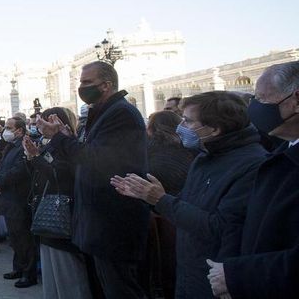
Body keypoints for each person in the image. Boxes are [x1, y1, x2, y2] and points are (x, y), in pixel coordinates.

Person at [112, 92, 266, 298]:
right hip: (190, 271)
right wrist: (148, 197)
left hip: (218, 279)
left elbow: (221, 228)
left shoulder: (252, 165)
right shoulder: (205, 157)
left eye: (188, 121)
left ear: (214, 128)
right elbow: (186, 206)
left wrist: (160, 199)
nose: (180, 126)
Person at [39, 61, 149, 298]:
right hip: (99, 223)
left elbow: (96, 160)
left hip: (113, 224)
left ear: (106, 85)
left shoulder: (120, 113)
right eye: (80, 81)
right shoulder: (103, 113)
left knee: (121, 290)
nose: (81, 87)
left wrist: (59, 138)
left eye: (87, 82)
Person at [207, 61, 299, 298]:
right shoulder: (283, 153)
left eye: (262, 99)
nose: (254, 108)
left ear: (296, 100)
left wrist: (239, 275)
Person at [25, 107, 94, 299]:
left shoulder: (69, 144)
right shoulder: (50, 144)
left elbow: (60, 175)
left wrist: (37, 158)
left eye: (44, 122)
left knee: (68, 279)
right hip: (48, 220)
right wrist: (33, 156)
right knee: (53, 277)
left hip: (62, 220)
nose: (39, 127)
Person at [140, 109, 197, 299]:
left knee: (164, 272)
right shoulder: (192, 150)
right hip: (188, 217)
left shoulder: (149, 154)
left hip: (162, 221)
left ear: (152, 129)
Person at [0, 116, 37, 288]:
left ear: (19, 130)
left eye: (9, 127)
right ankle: (18, 268)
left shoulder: (25, 145)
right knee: (14, 237)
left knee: (24, 238)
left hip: (19, 199)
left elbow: (19, 170)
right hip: (8, 198)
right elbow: (1, 166)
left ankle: (28, 273)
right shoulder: (11, 146)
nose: (6, 130)